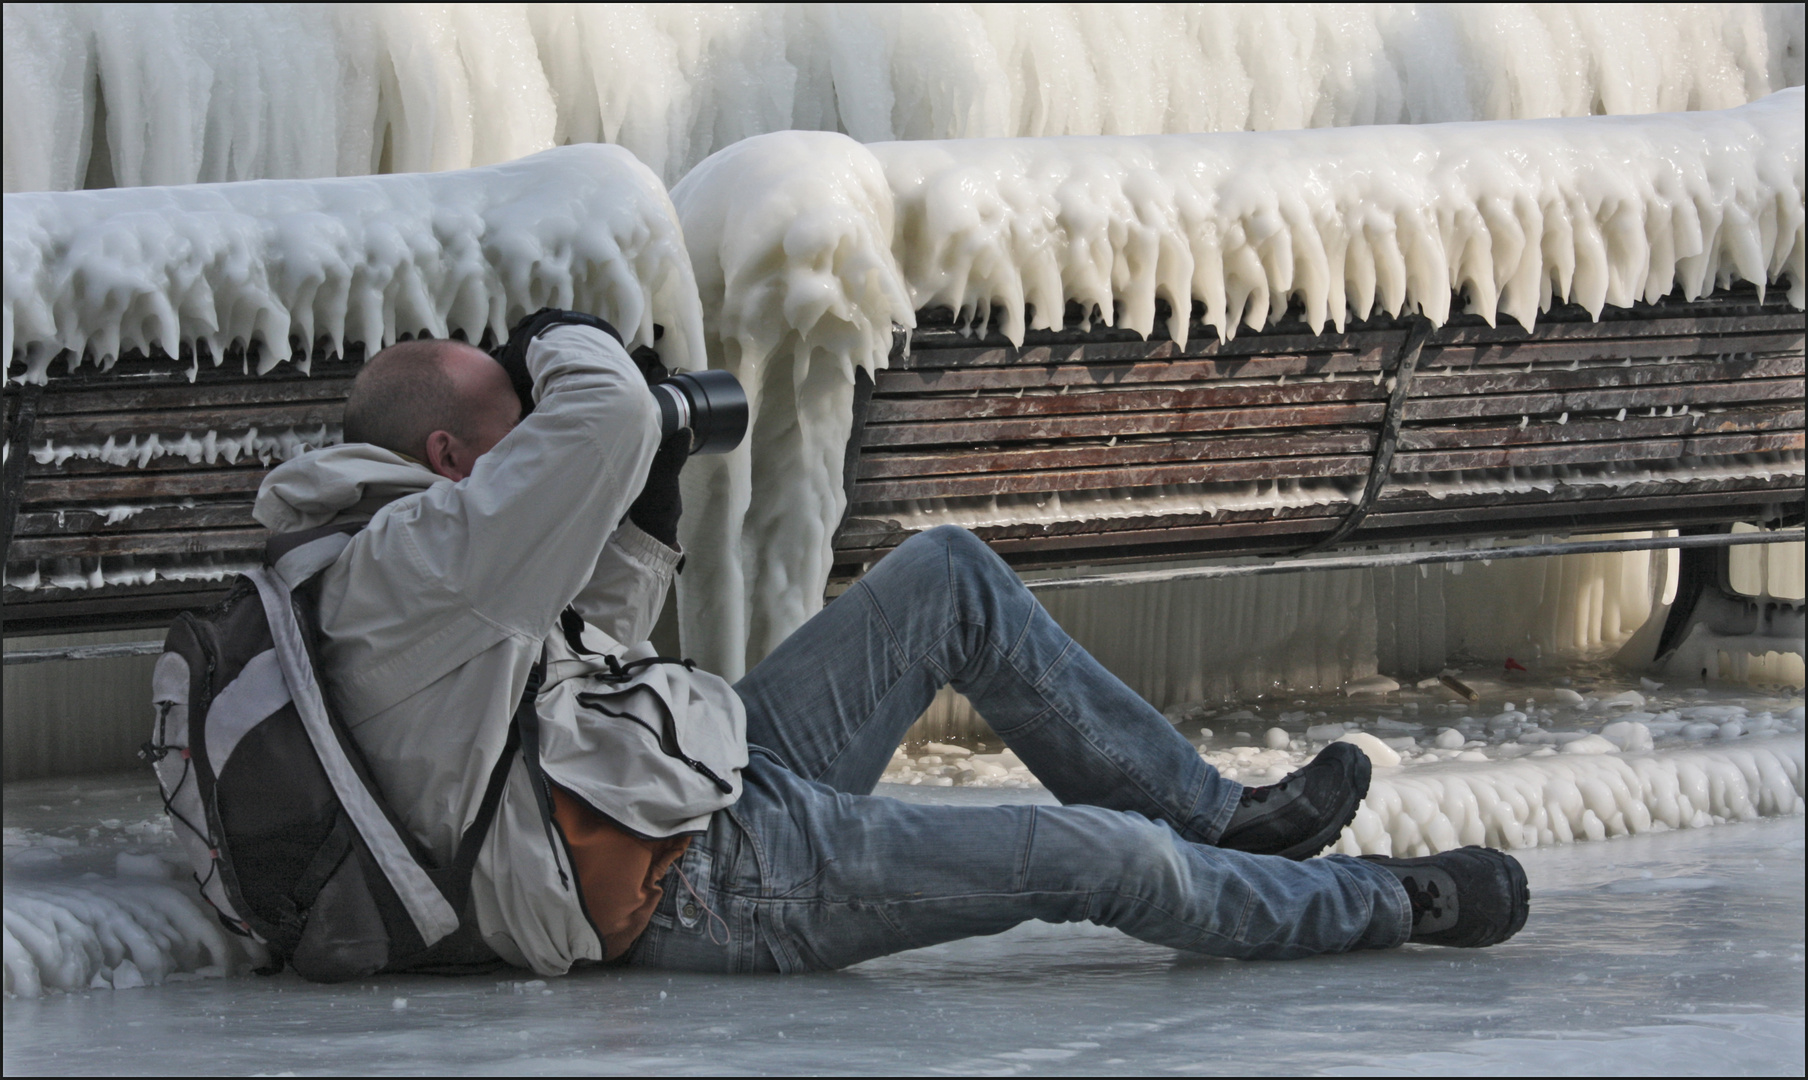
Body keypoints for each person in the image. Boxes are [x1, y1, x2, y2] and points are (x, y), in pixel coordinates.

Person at [252, 312, 1529, 977]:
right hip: (694, 877)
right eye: (509, 418)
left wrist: (637, 529)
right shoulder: (407, 562)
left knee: (945, 578)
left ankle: (1216, 815)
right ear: (448, 457)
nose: (535, 427)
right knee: (1094, 858)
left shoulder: (398, 561)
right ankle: (1375, 905)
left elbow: (554, 689)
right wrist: (555, 338)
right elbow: (595, 416)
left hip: (685, 777)